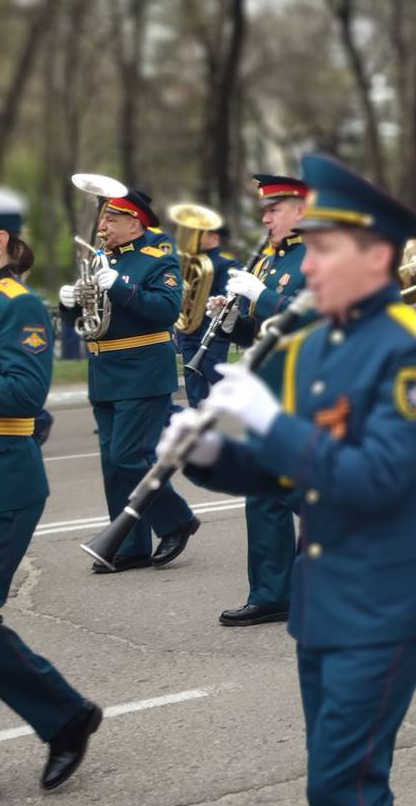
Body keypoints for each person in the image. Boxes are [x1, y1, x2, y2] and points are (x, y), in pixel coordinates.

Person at [165, 153, 416, 804]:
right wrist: (206, 456)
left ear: (376, 256)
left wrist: (270, 423)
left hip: (384, 603)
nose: (309, 264)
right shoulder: (316, 341)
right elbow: (288, 480)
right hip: (320, 599)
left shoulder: (415, 347)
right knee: (339, 780)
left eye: (324, 249)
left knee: (340, 785)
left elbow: (374, 478)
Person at [1, 189, 104, 792]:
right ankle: (66, 715)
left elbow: (23, 393)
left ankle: (64, 716)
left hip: (7, 482)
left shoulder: (19, 307)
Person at [59, 188, 200, 573]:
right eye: (102, 219)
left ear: (134, 222)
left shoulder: (159, 260)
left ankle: (176, 520)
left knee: (129, 457)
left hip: (142, 370)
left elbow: (165, 311)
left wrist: (118, 285)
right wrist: (69, 304)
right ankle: (128, 545)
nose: (101, 227)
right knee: (113, 463)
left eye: (110, 220)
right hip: (103, 371)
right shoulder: (101, 260)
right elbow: (86, 323)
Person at [210, 174, 309, 627]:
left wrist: (262, 296)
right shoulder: (271, 259)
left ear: (302, 210)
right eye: (265, 210)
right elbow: (262, 330)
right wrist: (230, 318)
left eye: (274, 209)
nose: (265, 217)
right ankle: (271, 592)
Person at [177, 224, 235, 406]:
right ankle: (198, 425)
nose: (193, 237)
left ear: (214, 236)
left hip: (212, 332)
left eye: (199, 233)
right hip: (188, 331)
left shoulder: (227, 263)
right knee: (194, 386)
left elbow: (229, 298)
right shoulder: (188, 263)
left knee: (216, 379)